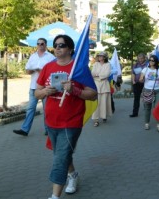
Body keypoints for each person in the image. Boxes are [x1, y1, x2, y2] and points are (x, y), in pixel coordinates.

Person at [34, 34, 97, 199]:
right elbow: (37, 93)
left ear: (70, 48)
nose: (57, 48)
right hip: (51, 121)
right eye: (55, 45)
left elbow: (93, 94)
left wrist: (74, 90)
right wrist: (45, 91)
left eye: (61, 45)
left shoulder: (79, 68)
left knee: (60, 158)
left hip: (71, 121)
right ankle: (73, 175)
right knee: (60, 154)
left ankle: (55, 196)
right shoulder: (48, 67)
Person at [13, 38, 55, 136]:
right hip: (33, 87)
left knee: (47, 110)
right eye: (38, 43)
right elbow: (27, 70)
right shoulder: (33, 56)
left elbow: (54, 72)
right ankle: (25, 130)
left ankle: (48, 130)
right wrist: (33, 70)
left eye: (42, 43)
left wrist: (43, 72)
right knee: (30, 109)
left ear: (45, 45)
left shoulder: (51, 57)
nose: (40, 45)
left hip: (45, 88)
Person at [140, 55, 159, 132]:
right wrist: (141, 79)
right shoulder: (145, 69)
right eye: (150, 60)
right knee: (147, 107)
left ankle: (158, 124)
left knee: (158, 107)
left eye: (153, 60)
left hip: (158, 91)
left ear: (156, 62)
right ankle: (147, 123)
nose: (151, 62)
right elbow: (141, 79)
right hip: (147, 90)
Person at [91, 51, 112, 127]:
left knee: (104, 102)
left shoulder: (108, 64)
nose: (99, 57)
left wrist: (97, 75)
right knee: (96, 103)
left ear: (104, 57)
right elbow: (92, 73)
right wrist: (99, 76)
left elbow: (107, 74)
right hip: (96, 85)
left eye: (101, 56)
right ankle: (95, 120)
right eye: (99, 56)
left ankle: (104, 116)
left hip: (105, 86)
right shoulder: (95, 64)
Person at [129, 53, 147, 117]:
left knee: (147, 97)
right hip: (136, 83)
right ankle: (135, 113)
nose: (140, 60)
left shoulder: (147, 65)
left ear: (144, 58)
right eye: (139, 58)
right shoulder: (136, 65)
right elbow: (133, 73)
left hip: (145, 84)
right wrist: (133, 81)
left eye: (142, 58)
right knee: (136, 98)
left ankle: (147, 111)